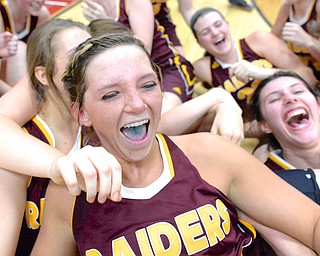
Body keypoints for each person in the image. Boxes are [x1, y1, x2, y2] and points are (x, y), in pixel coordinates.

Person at [30, 32, 320, 256]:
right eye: (111, 95)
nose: (136, 104)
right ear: (81, 113)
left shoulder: (209, 153)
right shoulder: (69, 193)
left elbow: (312, 225)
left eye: (147, 85)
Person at [0, 18, 91, 255]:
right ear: (42, 74)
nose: (89, 62)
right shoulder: (17, 150)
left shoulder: (99, 127)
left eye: (91, 51)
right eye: (76, 55)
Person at [191, 7, 317, 138]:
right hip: (266, 133)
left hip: (302, 113)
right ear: (200, 43)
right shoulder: (203, 68)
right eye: (205, 32)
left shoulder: (258, 40)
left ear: (227, 25)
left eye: (218, 24)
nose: (215, 33)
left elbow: (309, 78)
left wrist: (262, 73)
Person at [246, 70, 320, 204]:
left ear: (318, 106)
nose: (290, 98)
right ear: (265, 125)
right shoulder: (268, 180)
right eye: (275, 99)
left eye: (298, 91)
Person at [0, 0, 50, 86]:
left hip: (25, 83)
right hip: (8, 89)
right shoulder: (1, 14)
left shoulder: (41, 15)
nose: (40, 1)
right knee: (18, 50)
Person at [271, 0, 320, 80]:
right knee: (259, 37)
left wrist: (309, 42)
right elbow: (270, 40)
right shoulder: (288, 5)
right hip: (295, 65)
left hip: (312, 74)